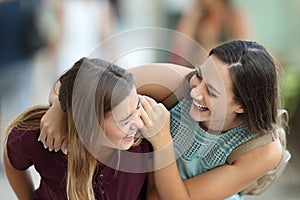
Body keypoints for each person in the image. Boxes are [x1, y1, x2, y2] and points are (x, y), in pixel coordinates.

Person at [39, 40, 284, 199]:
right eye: (199, 75)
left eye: (212, 91)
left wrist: (162, 140)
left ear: (242, 106)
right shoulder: (175, 83)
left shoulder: (262, 149)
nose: (195, 91)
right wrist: (60, 109)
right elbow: (86, 79)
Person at [3, 57, 153, 200]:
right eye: (125, 120)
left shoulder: (141, 143)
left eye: (137, 106)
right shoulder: (43, 138)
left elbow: (177, 77)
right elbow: (12, 157)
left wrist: (58, 104)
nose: (139, 124)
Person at [170, 0, 252, 66]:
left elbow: (244, 50)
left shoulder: (234, 17)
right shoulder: (197, 17)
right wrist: (192, 17)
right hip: (198, 69)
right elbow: (180, 49)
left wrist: (213, 52)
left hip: (223, 69)